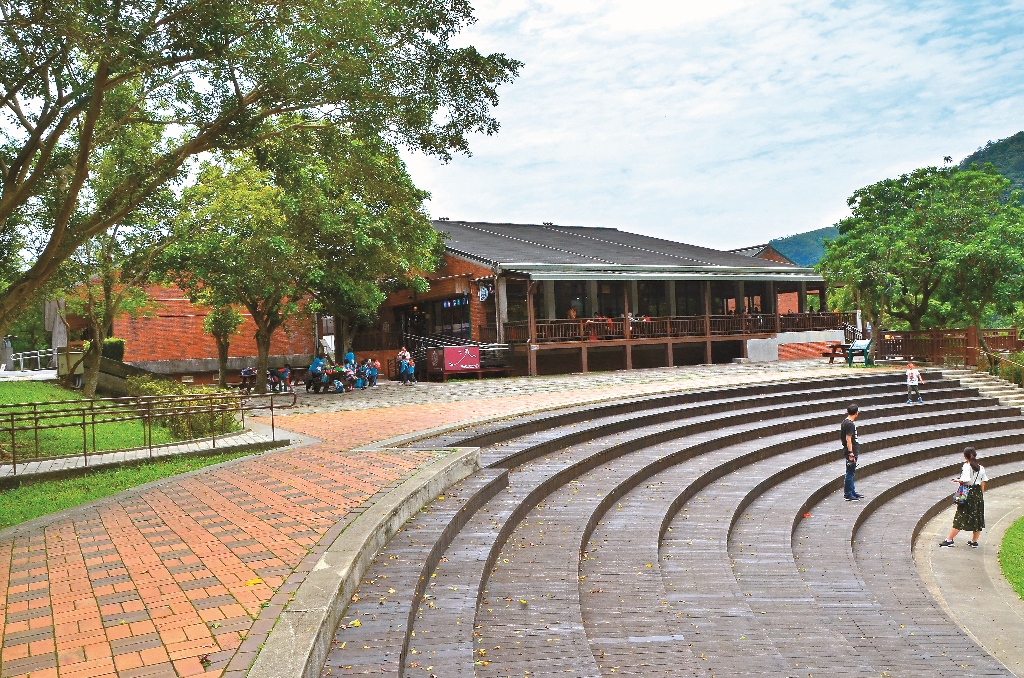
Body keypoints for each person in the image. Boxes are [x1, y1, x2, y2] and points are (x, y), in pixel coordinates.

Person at [940, 447, 988, 548]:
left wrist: (958, 480)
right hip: (978, 494)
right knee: (977, 517)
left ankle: (949, 540)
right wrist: (980, 496)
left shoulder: (966, 466)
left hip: (968, 493)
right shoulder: (981, 468)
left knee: (960, 516)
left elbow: (965, 480)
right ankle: (974, 542)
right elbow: (983, 484)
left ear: (965, 456)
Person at [840, 403, 864, 501]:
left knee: (851, 472)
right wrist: (851, 453)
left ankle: (852, 491)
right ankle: (848, 494)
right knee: (850, 473)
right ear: (856, 413)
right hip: (851, 451)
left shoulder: (844, 422)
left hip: (850, 450)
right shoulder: (850, 424)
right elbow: (848, 439)